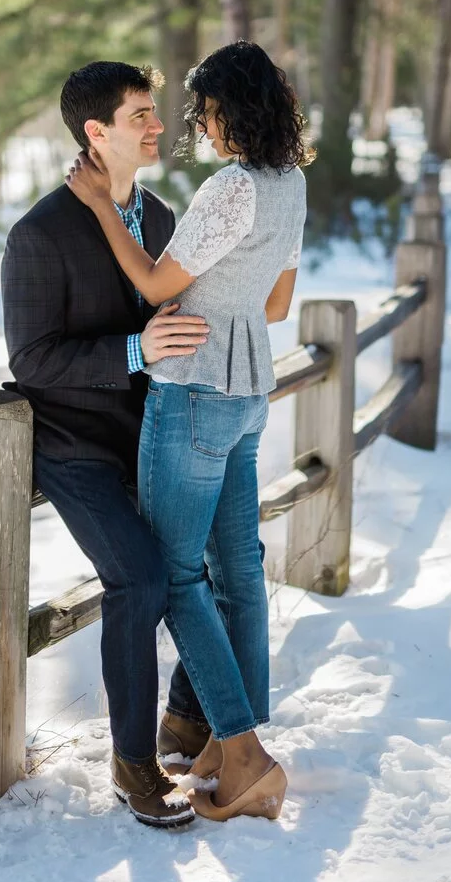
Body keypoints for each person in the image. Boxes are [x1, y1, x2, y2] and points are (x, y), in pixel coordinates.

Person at [67, 40, 310, 822]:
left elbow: (151, 283)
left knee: (176, 575)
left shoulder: (231, 190)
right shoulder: (292, 184)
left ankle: (240, 751)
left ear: (227, 112)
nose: (199, 127)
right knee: (239, 565)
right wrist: (222, 298)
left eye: (204, 113)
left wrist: (104, 206)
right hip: (249, 391)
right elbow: (274, 306)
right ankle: (230, 741)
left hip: (196, 388)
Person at [1, 61, 215, 829]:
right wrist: (136, 349)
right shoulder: (38, 234)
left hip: (152, 436)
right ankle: (132, 766)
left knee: (212, 560)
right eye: (141, 115)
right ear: (97, 133)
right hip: (71, 442)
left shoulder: (160, 218)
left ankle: (188, 724)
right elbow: (30, 359)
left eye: (155, 111)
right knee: (140, 576)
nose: (159, 125)